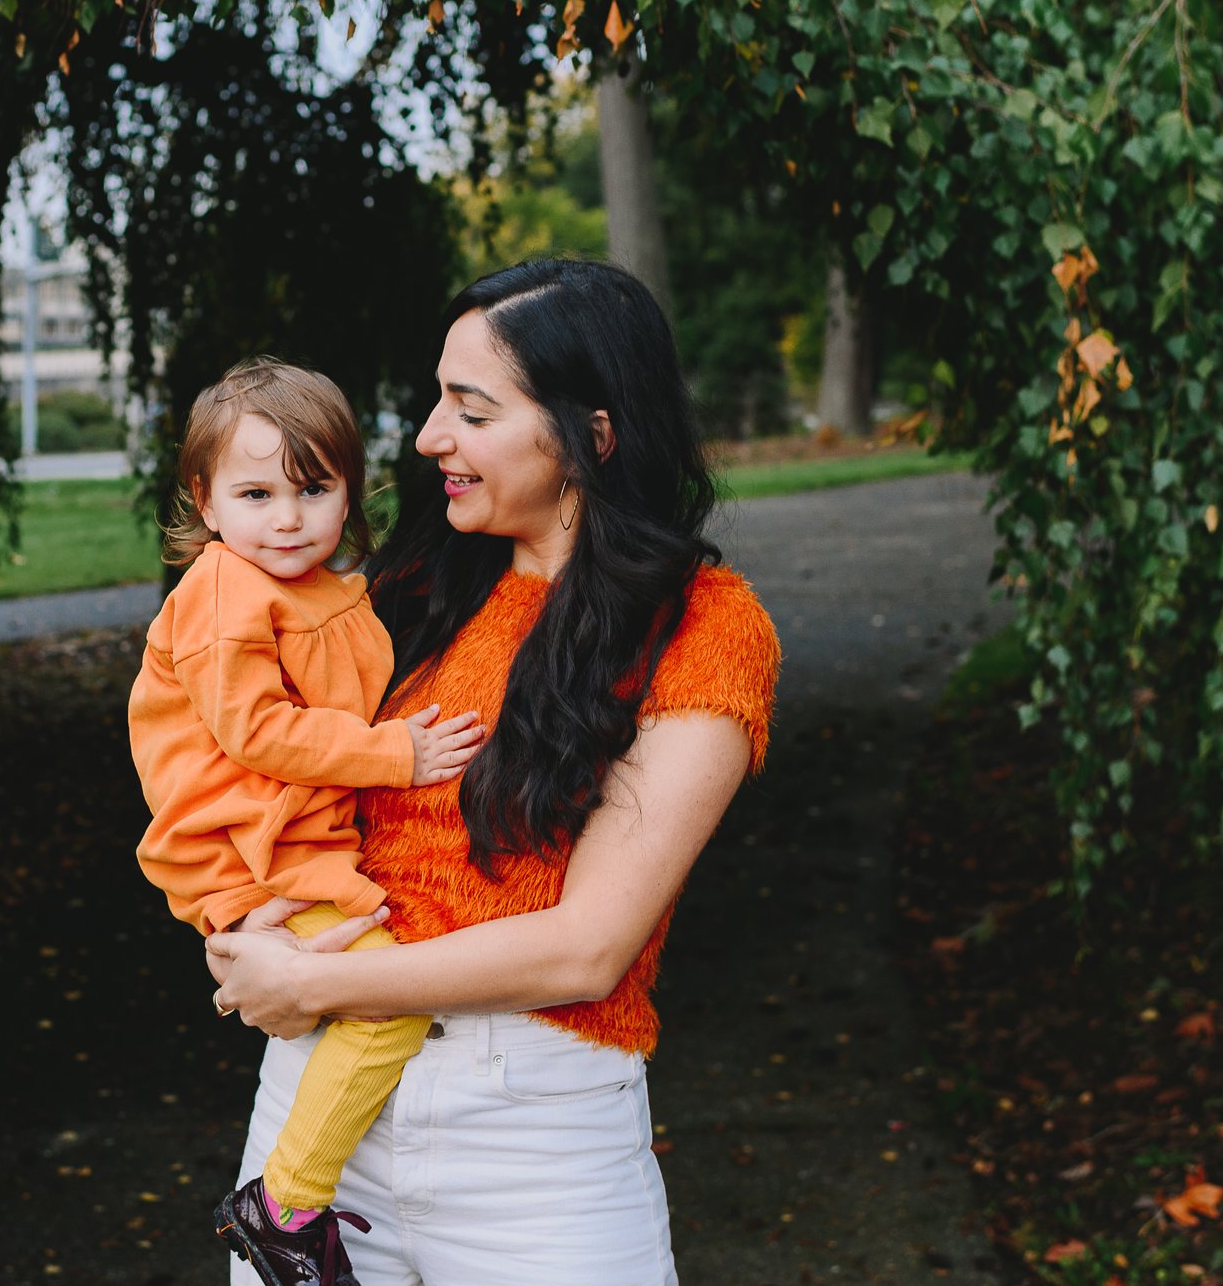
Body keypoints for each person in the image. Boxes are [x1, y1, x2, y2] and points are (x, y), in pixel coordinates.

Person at [205, 259, 781, 1286]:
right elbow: (249, 770)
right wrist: (240, 922)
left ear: (591, 435)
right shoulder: (403, 592)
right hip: (314, 1123)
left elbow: (588, 946)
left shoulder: (706, 628)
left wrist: (316, 980)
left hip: (535, 1146)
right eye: (436, 401)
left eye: (469, 411)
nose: (428, 438)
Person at [128, 359, 490, 1286]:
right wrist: (396, 757)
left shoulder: (330, 589)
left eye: (313, 487)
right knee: (388, 1002)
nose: (286, 517)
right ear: (205, 502)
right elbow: (256, 731)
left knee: (370, 994)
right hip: (254, 849)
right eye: (255, 492)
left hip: (299, 841)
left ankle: (290, 1194)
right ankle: (284, 1204)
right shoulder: (222, 594)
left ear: (347, 489)